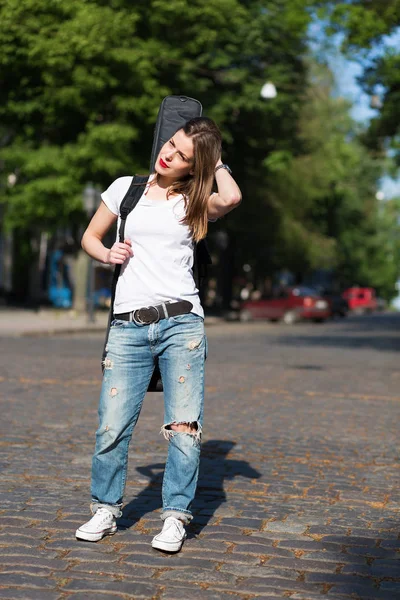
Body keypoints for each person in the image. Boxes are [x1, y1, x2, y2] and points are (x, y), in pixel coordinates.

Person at [75, 117, 241, 552]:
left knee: (183, 428)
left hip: (181, 325)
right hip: (128, 325)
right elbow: (90, 237)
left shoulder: (196, 200)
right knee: (111, 425)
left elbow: (234, 196)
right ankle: (105, 510)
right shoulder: (125, 189)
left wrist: (214, 158)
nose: (169, 154)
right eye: (171, 143)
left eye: (184, 155)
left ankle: (175, 518)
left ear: (194, 167)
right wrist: (108, 253)